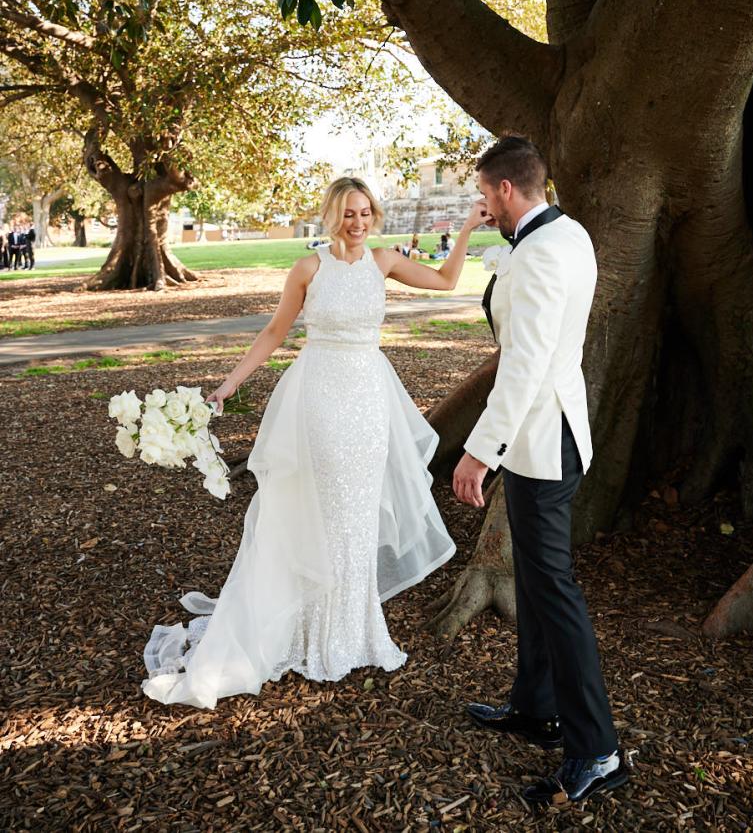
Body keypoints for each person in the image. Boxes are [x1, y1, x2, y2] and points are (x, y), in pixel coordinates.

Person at [141, 176, 488, 709]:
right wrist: (229, 384)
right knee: (327, 510)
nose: (359, 221)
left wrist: (465, 229)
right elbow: (275, 333)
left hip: (370, 400)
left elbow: (445, 281)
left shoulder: (385, 261)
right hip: (321, 398)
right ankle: (311, 629)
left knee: (358, 514)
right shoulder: (309, 268)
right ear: (333, 216)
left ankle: (356, 630)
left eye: (366, 212)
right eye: (349, 214)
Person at [453, 135, 627, 806]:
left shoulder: (544, 252)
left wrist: (478, 450)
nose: (482, 204)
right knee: (533, 573)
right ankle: (538, 708)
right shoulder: (566, 234)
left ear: (503, 189)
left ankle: (598, 748)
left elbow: (524, 363)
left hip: (543, 437)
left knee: (554, 589)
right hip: (541, 435)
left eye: (483, 192)